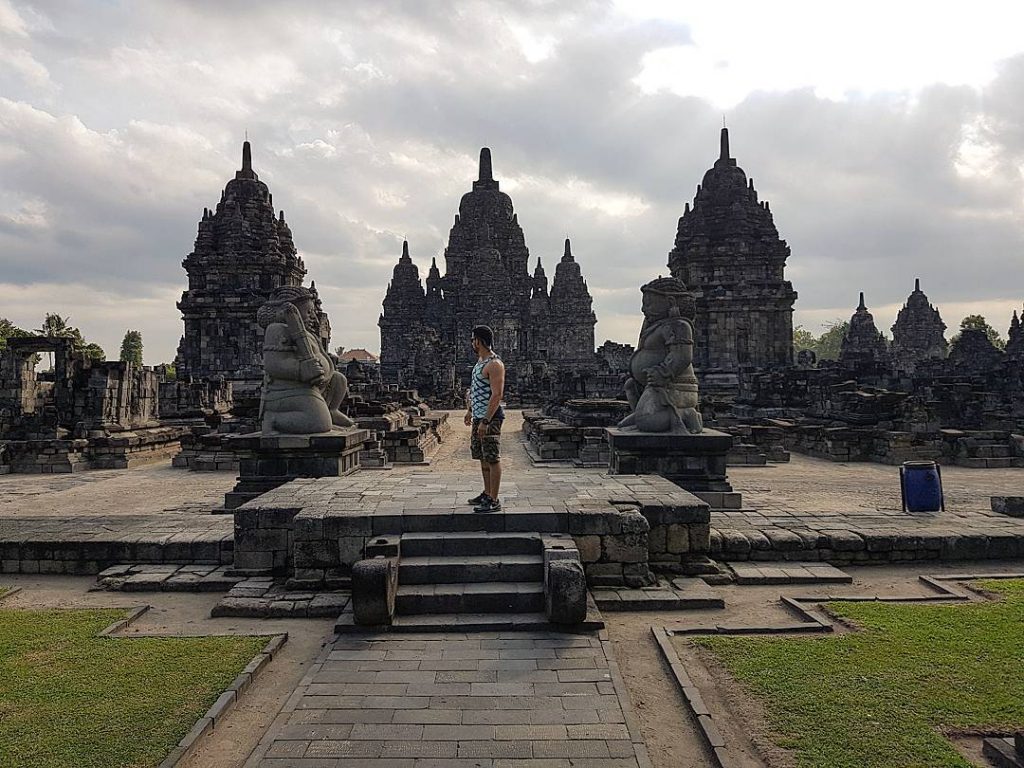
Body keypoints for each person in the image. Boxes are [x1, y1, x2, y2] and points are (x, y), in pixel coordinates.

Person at [464, 325, 505, 512]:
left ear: (478, 341)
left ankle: (494, 499)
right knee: (482, 457)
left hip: (490, 418)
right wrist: (470, 410)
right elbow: (476, 390)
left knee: (492, 458)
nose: (472, 343)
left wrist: (486, 421)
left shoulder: (494, 364)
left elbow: (497, 395)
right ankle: (487, 493)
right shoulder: (480, 362)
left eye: (473, 339)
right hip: (478, 416)